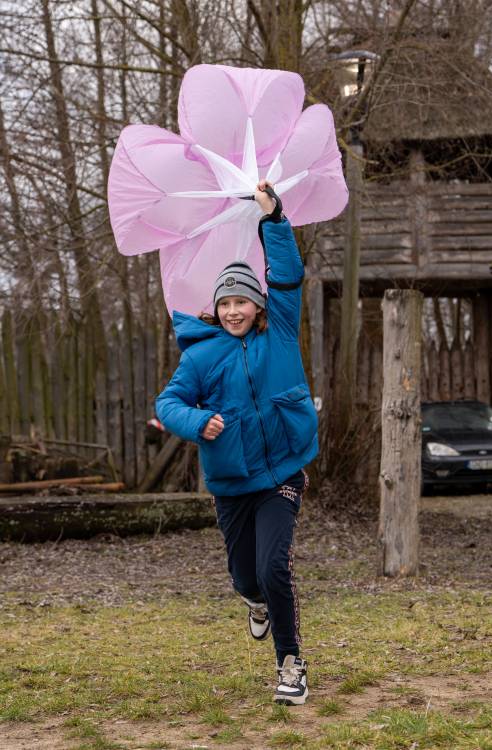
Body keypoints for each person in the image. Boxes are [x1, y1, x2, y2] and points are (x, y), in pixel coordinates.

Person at [155, 180, 318, 705]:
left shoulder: (281, 334)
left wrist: (273, 219)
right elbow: (167, 404)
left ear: (256, 305)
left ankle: (291, 663)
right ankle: (255, 603)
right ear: (216, 307)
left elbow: (287, 276)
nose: (233, 311)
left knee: (274, 565)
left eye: (242, 301)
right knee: (245, 577)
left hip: (282, 474)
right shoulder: (202, 356)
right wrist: (197, 422)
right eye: (224, 302)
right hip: (231, 481)